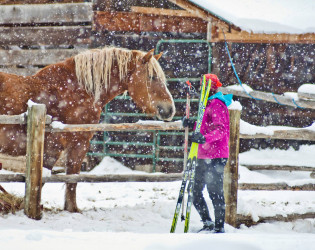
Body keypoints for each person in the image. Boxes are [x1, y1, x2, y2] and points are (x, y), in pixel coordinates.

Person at [183, 74, 233, 233]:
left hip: (216, 155)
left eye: (203, 85)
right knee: (195, 191)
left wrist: (204, 138)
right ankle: (207, 222)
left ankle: (219, 227)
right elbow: (205, 124)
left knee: (214, 191)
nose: (200, 87)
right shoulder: (206, 104)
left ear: (211, 87)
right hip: (202, 154)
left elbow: (221, 130)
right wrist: (192, 124)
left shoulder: (217, 104)